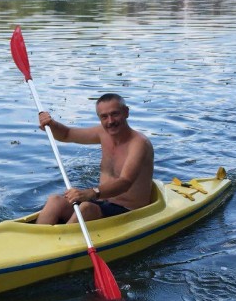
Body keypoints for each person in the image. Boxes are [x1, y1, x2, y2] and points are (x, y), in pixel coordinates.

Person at [35, 93, 154, 225]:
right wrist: (51, 124)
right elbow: (66, 134)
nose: (110, 121)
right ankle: (37, 239)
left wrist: (92, 193)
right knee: (55, 200)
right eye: (104, 116)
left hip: (129, 211)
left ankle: (59, 242)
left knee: (86, 208)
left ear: (126, 112)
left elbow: (125, 182)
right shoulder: (102, 133)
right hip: (102, 201)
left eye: (115, 114)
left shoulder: (139, 143)